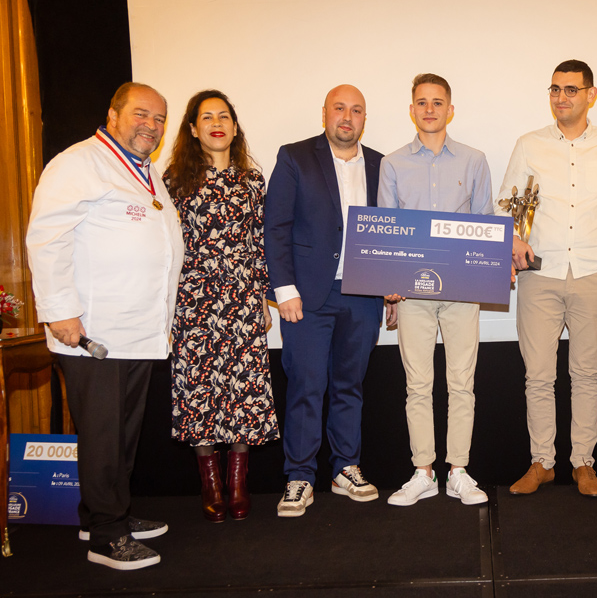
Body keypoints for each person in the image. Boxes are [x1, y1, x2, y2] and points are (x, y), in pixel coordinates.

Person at [26, 82, 184, 569]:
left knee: (120, 434)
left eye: (159, 119)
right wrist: (59, 311)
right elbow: (46, 239)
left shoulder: (144, 171)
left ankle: (101, 514)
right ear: (113, 114)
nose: (151, 126)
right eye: (141, 114)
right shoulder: (77, 163)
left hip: (135, 330)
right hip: (92, 331)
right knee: (102, 434)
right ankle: (107, 538)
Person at [498, 59, 597, 498]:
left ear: (590, 95)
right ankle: (542, 462)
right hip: (539, 275)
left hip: (596, 275)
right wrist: (513, 240)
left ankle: (583, 463)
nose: (562, 97)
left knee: (586, 374)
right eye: (555, 89)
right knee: (538, 376)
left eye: (571, 90)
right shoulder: (529, 144)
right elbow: (505, 205)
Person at [266, 84, 392, 517]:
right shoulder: (294, 156)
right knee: (306, 385)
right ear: (325, 113)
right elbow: (276, 227)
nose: (347, 116)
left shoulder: (381, 164)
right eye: (339, 108)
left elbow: (394, 231)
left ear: (364, 119)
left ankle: (345, 468)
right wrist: (283, 290)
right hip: (307, 296)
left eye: (356, 110)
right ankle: (300, 476)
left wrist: (391, 284)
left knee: (349, 385)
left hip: (363, 295)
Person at [164, 90, 280, 523]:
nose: (217, 122)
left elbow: (258, 244)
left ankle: (237, 484)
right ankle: (210, 485)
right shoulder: (174, 180)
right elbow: (166, 248)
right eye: (206, 117)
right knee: (200, 393)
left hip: (243, 299)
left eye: (224, 116)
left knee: (243, 392)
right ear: (193, 129)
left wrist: (264, 297)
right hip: (193, 301)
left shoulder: (252, 180)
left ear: (235, 127)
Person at [380, 73, 492, 507]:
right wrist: (387, 284)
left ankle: (459, 471)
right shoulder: (392, 164)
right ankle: (423, 472)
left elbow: (486, 224)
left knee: (462, 383)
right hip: (413, 296)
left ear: (450, 110)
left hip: (462, 293)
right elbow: (387, 230)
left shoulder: (474, 160)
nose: (430, 109)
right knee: (418, 385)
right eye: (422, 102)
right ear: (412, 110)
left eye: (437, 101)